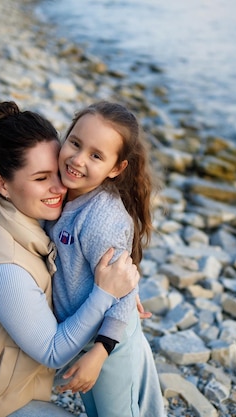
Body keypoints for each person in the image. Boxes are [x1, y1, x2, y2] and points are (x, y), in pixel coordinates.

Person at [0, 101, 140, 417]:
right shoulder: (3, 269)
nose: (59, 187)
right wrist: (106, 294)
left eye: (57, 172)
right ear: (1, 184)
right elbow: (52, 352)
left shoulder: (13, 218)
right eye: (41, 178)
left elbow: (91, 251)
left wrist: (124, 287)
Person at [47, 101, 166, 416]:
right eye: (75, 143)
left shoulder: (101, 219)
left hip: (108, 340)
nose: (77, 159)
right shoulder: (59, 191)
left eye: (95, 155)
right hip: (83, 332)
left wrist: (100, 352)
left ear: (116, 168)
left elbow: (123, 291)